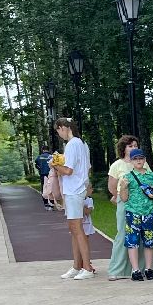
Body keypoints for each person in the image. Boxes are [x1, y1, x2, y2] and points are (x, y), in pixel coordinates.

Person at [53, 118, 95, 280]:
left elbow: (68, 170)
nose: (59, 134)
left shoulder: (72, 144)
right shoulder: (82, 144)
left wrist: (54, 165)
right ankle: (77, 265)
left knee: (77, 229)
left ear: (64, 127)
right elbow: (85, 167)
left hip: (74, 190)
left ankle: (86, 267)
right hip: (77, 189)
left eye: (58, 131)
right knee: (74, 229)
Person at [117, 149, 153, 281]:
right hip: (133, 213)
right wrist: (123, 187)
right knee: (133, 242)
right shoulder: (127, 177)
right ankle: (135, 270)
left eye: (141, 158)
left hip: (149, 213)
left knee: (149, 242)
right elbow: (124, 199)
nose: (139, 161)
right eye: (135, 159)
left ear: (145, 160)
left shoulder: (151, 176)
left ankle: (148, 269)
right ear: (131, 161)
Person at [106, 135, 138, 280]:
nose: (133, 148)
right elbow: (112, 187)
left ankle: (138, 268)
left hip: (140, 203)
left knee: (140, 235)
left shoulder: (141, 162)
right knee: (122, 234)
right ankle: (118, 269)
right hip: (124, 202)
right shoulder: (117, 165)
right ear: (123, 148)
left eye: (135, 146)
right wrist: (121, 196)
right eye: (130, 146)